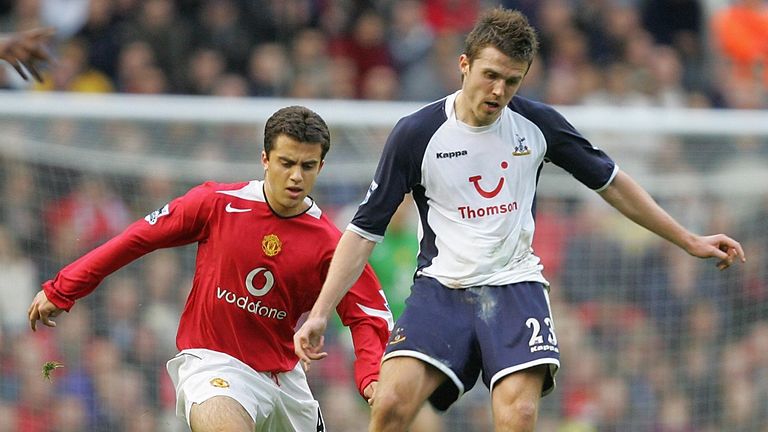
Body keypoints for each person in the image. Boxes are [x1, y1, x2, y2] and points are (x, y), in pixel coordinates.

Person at [294, 8, 746, 432]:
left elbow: (611, 182)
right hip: (441, 290)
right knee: (391, 405)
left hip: (515, 287)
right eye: (490, 75)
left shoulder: (537, 125)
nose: (498, 92)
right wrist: (320, 312)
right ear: (464, 64)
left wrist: (688, 239)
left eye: (511, 82)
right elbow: (364, 231)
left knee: (520, 413)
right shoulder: (417, 134)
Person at [28, 105, 394, 431]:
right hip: (213, 364)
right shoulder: (216, 204)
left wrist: (372, 377)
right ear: (265, 159)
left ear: (321, 167)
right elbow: (139, 237)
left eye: (307, 166)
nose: (296, 176)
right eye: (286, 163)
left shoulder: (331, 243)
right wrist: (66, 286)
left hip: (285, 380)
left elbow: (368, 314)